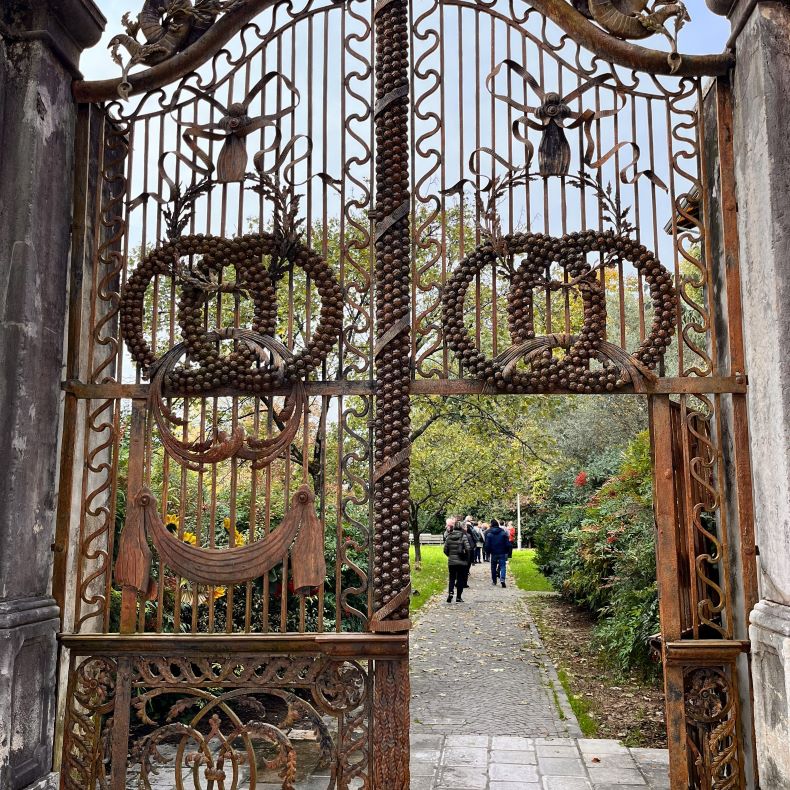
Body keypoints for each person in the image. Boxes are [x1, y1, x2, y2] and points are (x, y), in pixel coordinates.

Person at [443, 521, 470, 602]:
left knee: (452, 578)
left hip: (452, 562)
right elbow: (468, 548)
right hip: (462, 561)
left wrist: (450, 555)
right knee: (460, 579)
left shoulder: (449, 536)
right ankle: (458, 597)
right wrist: (466, 557)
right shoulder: (463, 536)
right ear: (461, 527)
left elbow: (445, 550)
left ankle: (451, 593)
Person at [484, 518, 510, 588]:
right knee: (503, 566)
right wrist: (507, 551)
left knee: (493, 567)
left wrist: (488, 552)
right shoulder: (503, 533)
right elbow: (507, 544)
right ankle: (502, 579)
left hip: (493, 553)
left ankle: (494, 581)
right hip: (502, 552)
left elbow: (487, 545)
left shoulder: (489, 534)